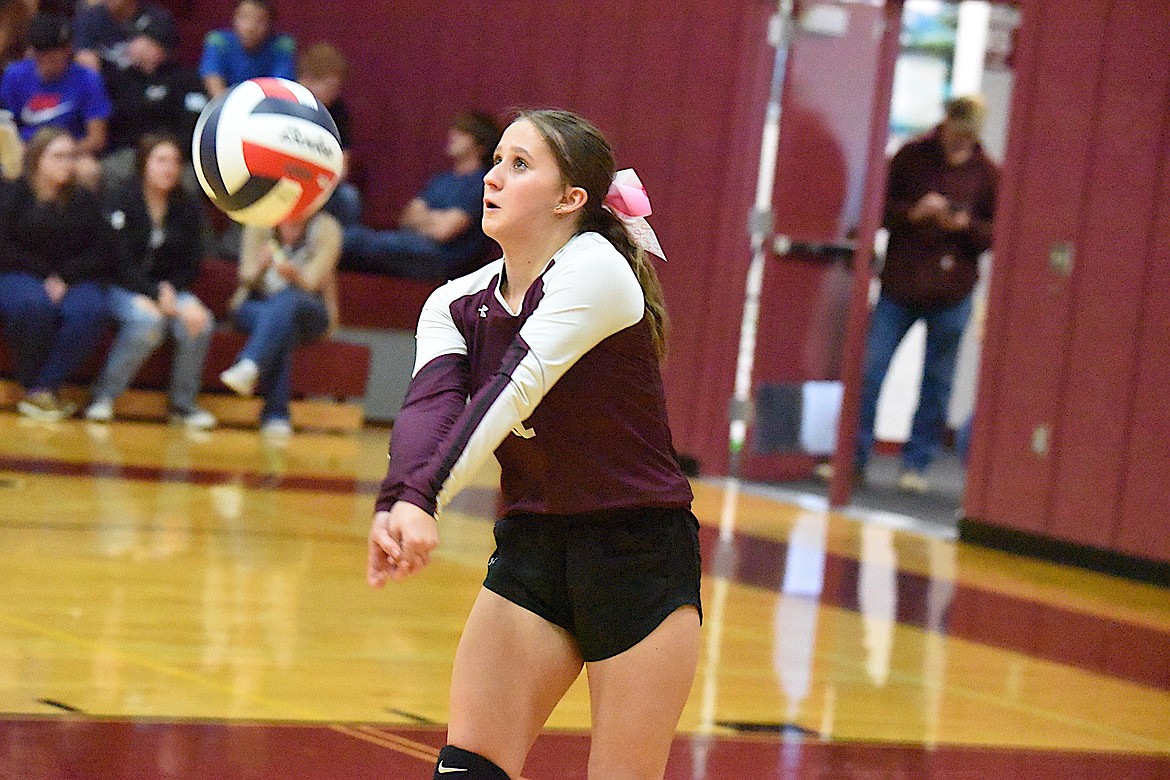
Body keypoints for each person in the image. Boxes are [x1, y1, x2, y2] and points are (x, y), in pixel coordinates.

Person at [366, 109, 701, 780]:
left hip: (636, 556)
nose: (493, 176)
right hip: (535, 546)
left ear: (570, 198)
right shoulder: (455, 301)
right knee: (467, 769)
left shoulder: (597, 271)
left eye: (519, 164)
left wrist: (425, 500)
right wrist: (397, 499)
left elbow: (515, 384)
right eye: (494, 160)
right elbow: (431, 408)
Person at [854, 95, 999, 493]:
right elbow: (878, 208)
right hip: (900, 285)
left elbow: (995, 233)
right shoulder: (910, 158)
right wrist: (914, 213)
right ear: (945, 123)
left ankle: (916, 464)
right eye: (954, 131)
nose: (958, 140)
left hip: (953, 293)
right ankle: (854, 456)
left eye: (966, 135)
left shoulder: (988, 175)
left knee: (937, 383)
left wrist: (965, 225)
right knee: (870, 368)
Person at [84, 133, 216, 429]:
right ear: (144, 164)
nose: (169, 168)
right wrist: (153, 293)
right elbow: (116, 261)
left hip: (169, 288)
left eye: (174, 162)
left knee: (199, 321)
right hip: (121, 286)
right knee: (148, 322)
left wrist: (170, 291)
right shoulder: (121, 198)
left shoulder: (187, 206)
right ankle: (102, 397)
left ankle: (183, 406)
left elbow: (192, 263)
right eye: (161, 160)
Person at [0, 126, 111, 420]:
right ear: (37, 159)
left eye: (71, 156)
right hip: (19, 272)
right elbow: (4, 245)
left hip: (71, 277)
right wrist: (43, 275)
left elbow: (101, 249)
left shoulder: (83, 199)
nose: (67, 164)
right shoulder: (14, 193)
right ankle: (36, 389)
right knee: (33, 306)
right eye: (58, 156)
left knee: (90, 309)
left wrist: (65, 277)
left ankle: (42, 390)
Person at [218, 209, 341, 435]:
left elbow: (313, 281)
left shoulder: (326, 228)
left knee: (288, 300)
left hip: (309, 308)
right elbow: (245, 274)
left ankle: (250, 363)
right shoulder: (259, 221)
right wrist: (261, 265)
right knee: (282, 324)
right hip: (258, 304)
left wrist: (294, 275)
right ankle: (276, 414)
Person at [341, 111, 500, 280]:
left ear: (481, 145)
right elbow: (407, 218)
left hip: (442, 260)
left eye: (463, 133)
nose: (453, 135)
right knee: (355, 239)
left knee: (353, 239)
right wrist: (435, 218)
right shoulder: (442, 179)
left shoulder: (481, 184)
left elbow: (444, 231)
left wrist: (425, 219)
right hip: (411, 245)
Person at [0, 14, 111, 189]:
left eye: (53, 57)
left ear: (67, 51)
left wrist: (60, 154)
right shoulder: (14, 75)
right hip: (26, 149)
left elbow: (97, 138)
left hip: (72, 150)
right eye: (40, 57)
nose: (46, 63)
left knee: (89, 171)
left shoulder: (88, 79)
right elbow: (6, 123)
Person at [99, 15, 206, 191]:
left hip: (175, 155)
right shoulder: (122, 79)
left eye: (137, 40)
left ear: (156, 47)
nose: (131, 44)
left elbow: (194, 127)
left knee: (190, 179)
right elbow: (116, 125)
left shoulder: (186, 80)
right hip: (131, 153)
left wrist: (166, 152)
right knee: (106, 171)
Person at [296, 41, 360, 226]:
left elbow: (343, 167)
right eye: (331, 87)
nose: (335, 93)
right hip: (286, 177)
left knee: (349, 197)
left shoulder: (338, 111)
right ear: (307, 81)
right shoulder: (288, 103)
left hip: (321, 183)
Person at [198, 0, 294, 100]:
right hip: (225, 105)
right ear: (234, 17)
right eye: (244, 17)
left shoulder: (281, 45)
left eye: (260, 20)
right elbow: (213, 80)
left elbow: (280, 86)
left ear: (270, 23)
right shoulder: (219, 41)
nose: (250, 27)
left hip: (265, 107)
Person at [72, 0, 176, 75]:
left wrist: (154, 52)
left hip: (147, 87)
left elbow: (169, 61)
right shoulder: (87, 20)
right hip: (108, 90)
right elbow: (84, 60)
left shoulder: (157, 18)